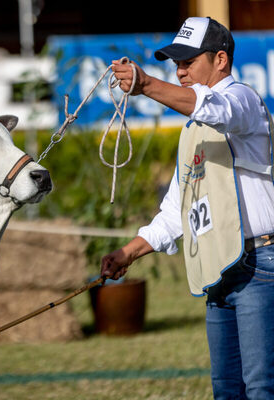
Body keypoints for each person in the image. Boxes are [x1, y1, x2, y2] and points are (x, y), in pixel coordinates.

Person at [101, 17, 274, 399]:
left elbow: (218, 110)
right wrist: (129, 252)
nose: (179, 71)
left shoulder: (244, 100)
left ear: (221, 61)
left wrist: (145, 85)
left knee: (263, 388)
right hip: (220, 267)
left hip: (261, 264)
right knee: (226, 389)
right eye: (176, 64)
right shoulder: (192, 130)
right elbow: (177, 210)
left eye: (188, 62)